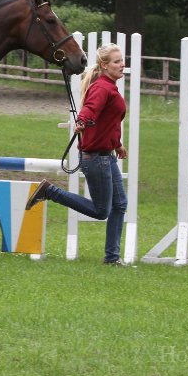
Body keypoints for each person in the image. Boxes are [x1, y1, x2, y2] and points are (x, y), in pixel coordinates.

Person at [25, 42, 129, 265]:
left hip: (106, 155)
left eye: (122, 60)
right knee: (102, 211)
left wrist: (117, 144)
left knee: (119, 205)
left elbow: (108, 122)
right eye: (117, 61)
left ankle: (112, 259)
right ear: (104, 65)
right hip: (96, 158)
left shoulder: (109, 87)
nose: (123, 64)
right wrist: (81, 121)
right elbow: (90, 109)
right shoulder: (102, 88)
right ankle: (50, 192)